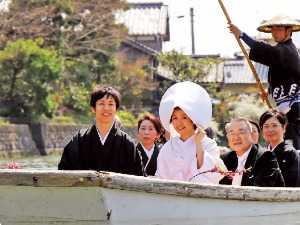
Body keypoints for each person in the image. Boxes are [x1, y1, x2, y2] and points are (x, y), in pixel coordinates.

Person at [229, 15, 300, 150]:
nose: (274, 33)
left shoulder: (287, 50)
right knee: (285, 144)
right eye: (272, 30)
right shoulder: (282, 51)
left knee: (292, 147)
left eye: (278, 29)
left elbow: (267, 51)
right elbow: (283, 76)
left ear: (288, 31)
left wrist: (242, 35)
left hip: (294, 107)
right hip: (287, 107)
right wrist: (270, 91)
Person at [58, 86, 142, 176]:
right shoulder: (79, 140)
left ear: (116, 109)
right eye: (101, 104)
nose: (106, 108)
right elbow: (64, 172)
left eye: (110, 104)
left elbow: (139, 177)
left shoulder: (127, 143)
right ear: (93, 108)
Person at [155, 81, 226, 184]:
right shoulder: (168, 146)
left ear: (192, 119)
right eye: (175, 118)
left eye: (184, 117)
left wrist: (198, 144)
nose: (179, 122)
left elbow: (210, 175)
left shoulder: (208, 144)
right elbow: (160, 176)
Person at [220, 118, 284, 187]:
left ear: (251, 134)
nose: (236, 137)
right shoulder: (225, 159)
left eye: (241, 132)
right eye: (231, 133)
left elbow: (260, 191)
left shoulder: (265, 157)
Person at [259, 110, 300, 187]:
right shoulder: (261, 153)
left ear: (284, 128)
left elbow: (292, 184)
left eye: (274, 125)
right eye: (266, 126)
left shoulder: (290, 153)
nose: (270, 130)